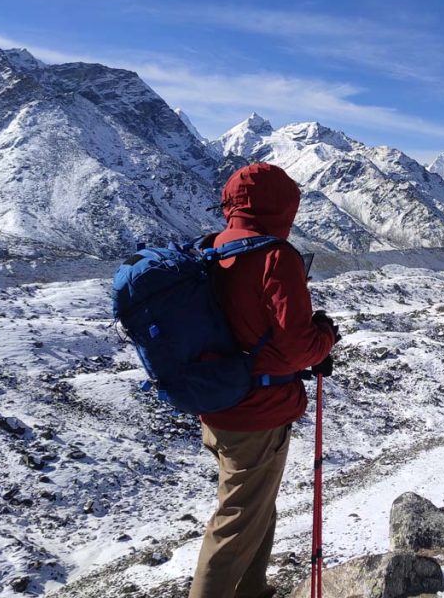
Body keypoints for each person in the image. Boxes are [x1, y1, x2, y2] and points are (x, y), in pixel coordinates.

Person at [190, 162, 338, 598]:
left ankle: (251, 590)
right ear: (283, 205)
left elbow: (245, 330)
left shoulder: (214, 247)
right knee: (236, 521)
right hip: (258, 412)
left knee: (255, 509)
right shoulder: (277, 255)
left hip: (220, 403)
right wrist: (324, 338)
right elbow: (295, 344)